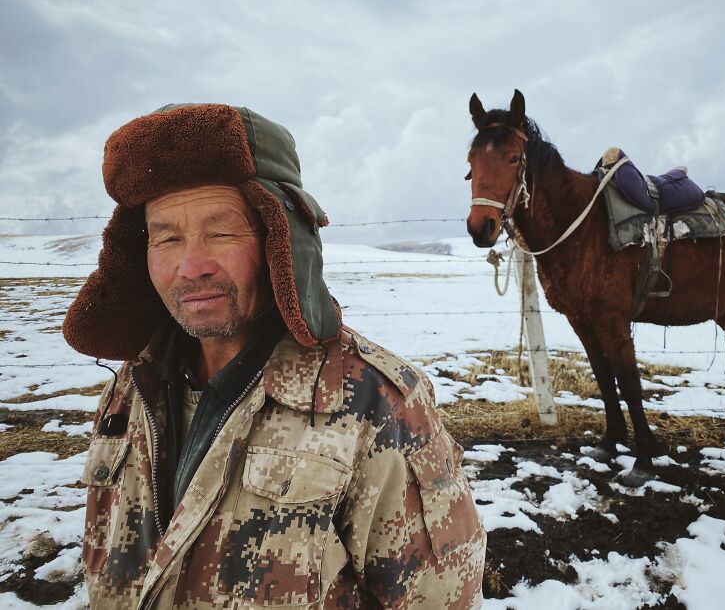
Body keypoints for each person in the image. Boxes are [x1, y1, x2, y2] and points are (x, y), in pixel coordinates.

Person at [63, 103, 486, 609]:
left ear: (280, 240)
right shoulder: (130, 389)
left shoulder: (374, 405)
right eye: (167, 237)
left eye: (220, 232)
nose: (190, 266)